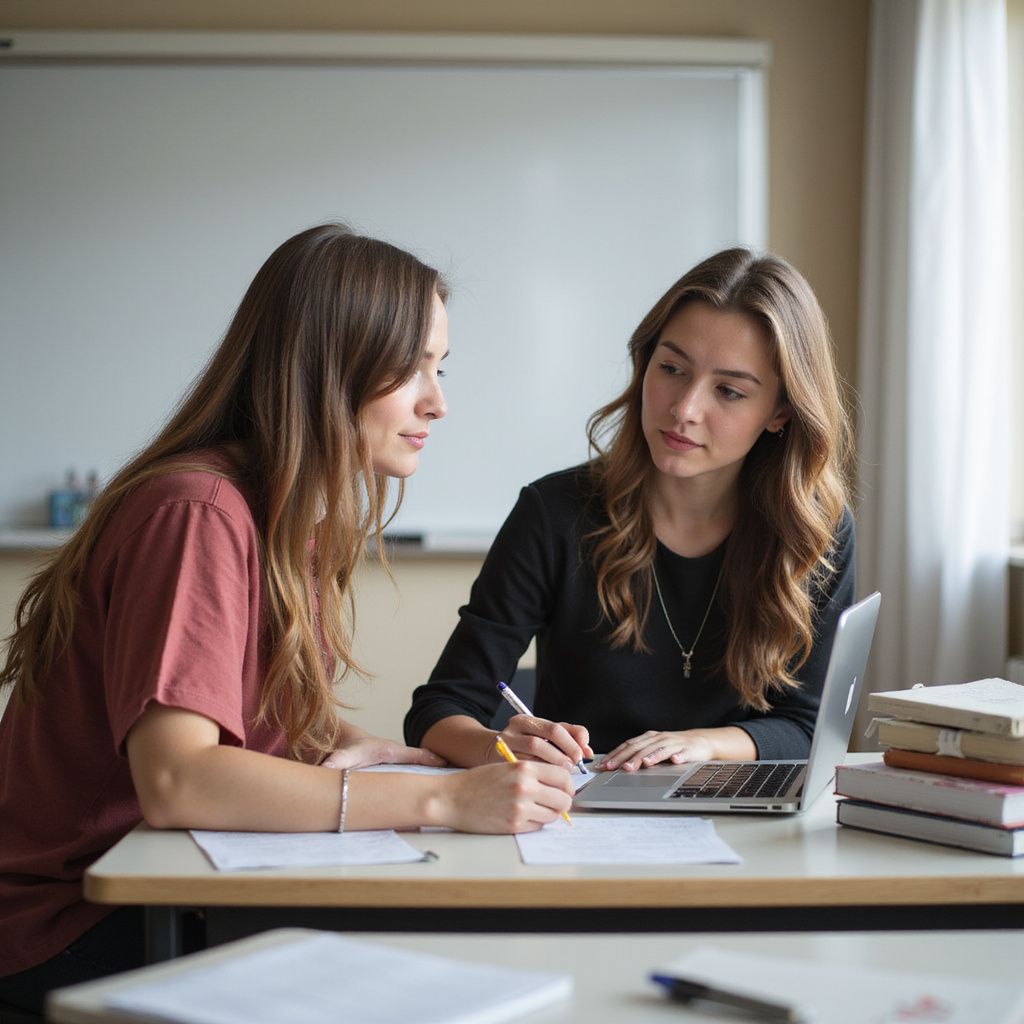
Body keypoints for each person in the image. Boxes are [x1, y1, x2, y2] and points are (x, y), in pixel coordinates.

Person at [0, 224, 572, 1013]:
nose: (438, 402)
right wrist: (444, 801)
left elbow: (242, 712)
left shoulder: (273, 515)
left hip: (177, 882)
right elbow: (178, 778)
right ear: (328, 369)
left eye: (438, 369)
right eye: (411, 370)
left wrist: (363, 748)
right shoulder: (197, 512)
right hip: (78, 924)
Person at [404, 247, 855, 775]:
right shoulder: (554, 513)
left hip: (738, 817)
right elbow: (439, 710)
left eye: (729, 391)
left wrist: (702, 746)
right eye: (671, 369)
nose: (684, 409)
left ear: (780, 411)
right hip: (574, 819)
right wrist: (500, 748)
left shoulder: (813, 532)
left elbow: (808, 727)